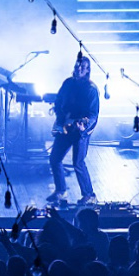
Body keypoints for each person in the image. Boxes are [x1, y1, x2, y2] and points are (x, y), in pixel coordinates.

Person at [48, 55, 99, 206]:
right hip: (65, 127)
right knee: (55, 158)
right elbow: (58, 101)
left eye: (82, 67)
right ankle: (60, 190)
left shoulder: (91, 90)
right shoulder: (68, 83)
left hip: (80, 132)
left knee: (78, 162)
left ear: (87, 70)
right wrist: (60, 118)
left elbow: (93, 114)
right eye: (77, 66)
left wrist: (84, 124)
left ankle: (89, 195)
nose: (78, 69)